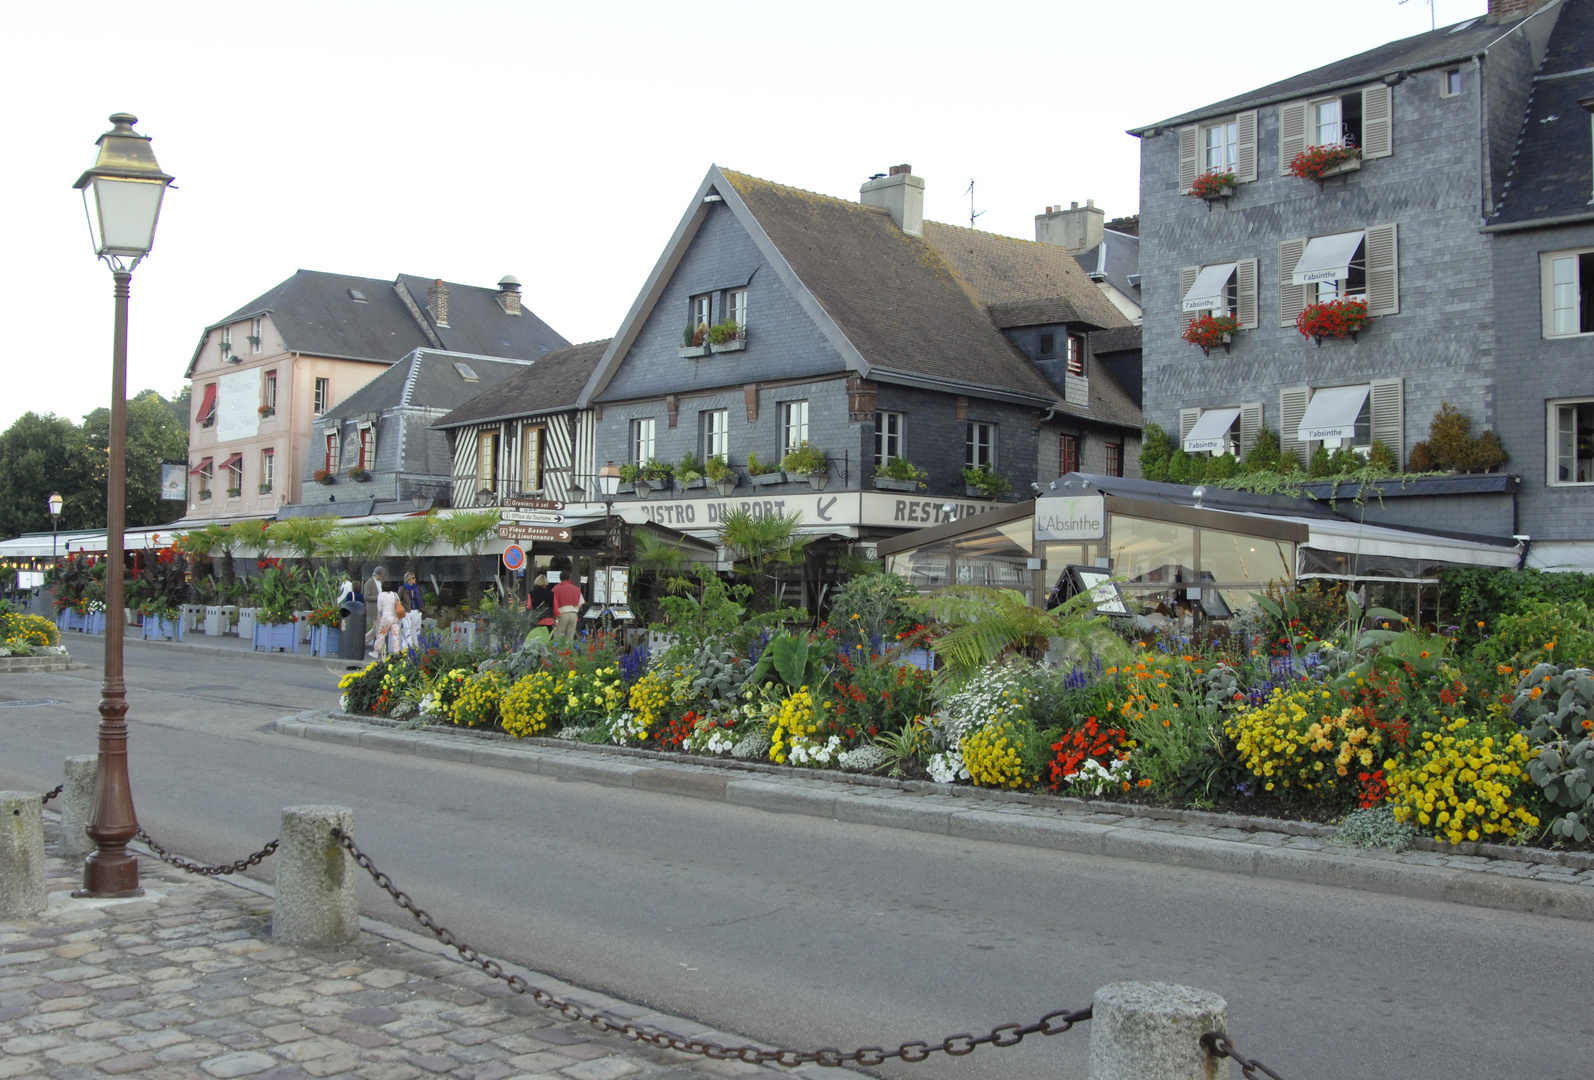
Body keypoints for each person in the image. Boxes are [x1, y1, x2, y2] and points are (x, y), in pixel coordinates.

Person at [551, 573, 582, 640]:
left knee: (559, 639)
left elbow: (552, 604)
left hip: (561, 615)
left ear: (560, 578)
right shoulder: (576, 589)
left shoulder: (555, 589)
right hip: (573, 615)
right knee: (569, 639)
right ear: (569, 578)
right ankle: (568, 650)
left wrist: (555, 619)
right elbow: (580, 604)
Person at [374, 581, 401, 658]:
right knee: (395, 636)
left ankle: (376, 651)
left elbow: (379, 609)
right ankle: (396, 653)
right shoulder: (395, 594)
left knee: (381, 635)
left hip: (386, 617)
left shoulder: (381, 595)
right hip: (395, 618)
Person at [363, 565, 385, 656]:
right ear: (375, 574)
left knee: (375, 629)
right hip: (373, 609)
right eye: (380, 576)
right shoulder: (369, 583)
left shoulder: (379, 583)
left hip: (380, 609)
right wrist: (378, 597)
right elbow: (366, 596)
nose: (381, 578)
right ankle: (381, 649)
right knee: (379, 629)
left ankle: (361, 642)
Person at [400, 572, 424, 649]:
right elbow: (398, 599)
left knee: (416, 630)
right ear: (408, 580)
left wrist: (422, 610)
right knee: (407, 630)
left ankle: (416, 647)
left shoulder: (417, 588)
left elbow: (421, 599)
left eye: (414, 578)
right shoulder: (403, 589)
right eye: (413, 578)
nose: (415, 579)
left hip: (416, 611)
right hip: (407, 611)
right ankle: (407, 648)